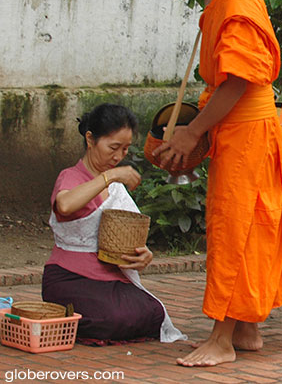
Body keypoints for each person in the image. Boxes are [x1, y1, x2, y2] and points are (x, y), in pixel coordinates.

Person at [151, 0, 282, 366]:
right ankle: (246, 327)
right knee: (249, 225)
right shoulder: (222, 2)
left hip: (247, 129)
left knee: (236, 229)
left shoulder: (236, 1)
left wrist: (193, 131)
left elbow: (238, 79)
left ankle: (221, 339)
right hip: (240, 130)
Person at [43, 103, 185, 345]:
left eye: (126, 149)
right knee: (111, 317)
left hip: (111, 279)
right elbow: (65, 205)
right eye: (113, 147)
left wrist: (144, 256)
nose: (118, 157)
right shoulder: (72, 176)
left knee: (153, 313)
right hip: (70, 278)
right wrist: (109, 176)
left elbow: (131, 239)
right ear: (90, 139)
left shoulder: (115, 187)